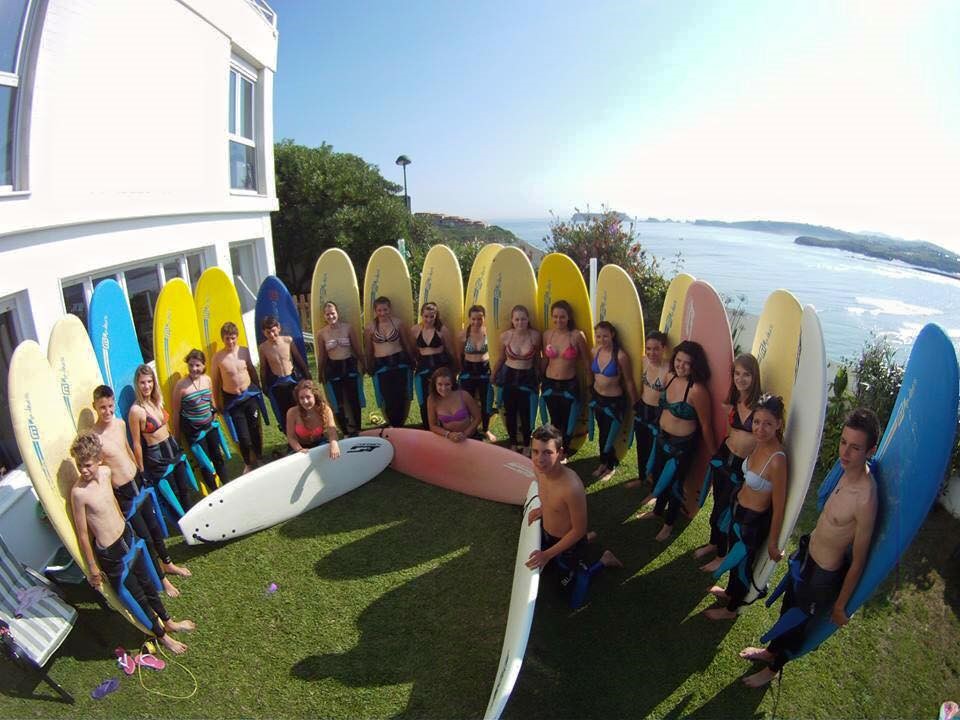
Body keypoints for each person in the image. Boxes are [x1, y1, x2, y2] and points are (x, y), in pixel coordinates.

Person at [737, 408, 879, 687]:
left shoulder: (866, 499)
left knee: (797, 623)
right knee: (788, 608)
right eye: (843, 442)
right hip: (806, 558)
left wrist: (840, 606)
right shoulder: (843, 470)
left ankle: (773, 670)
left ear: (870, 451)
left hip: (824, 575)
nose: (845, 453)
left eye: (855, 448)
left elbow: (859, 561)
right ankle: (770, 652)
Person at [69, 432, 195, 654]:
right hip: (111, 552)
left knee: (148, 584)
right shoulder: (79, 493)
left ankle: (169, 621)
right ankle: (163, 636)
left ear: (99, 460)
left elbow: (115, 504)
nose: (83, 470)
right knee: (138, 595)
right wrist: (92, 568)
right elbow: (82, 534)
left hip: (127, 536)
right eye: (80, 465)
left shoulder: (107, 473)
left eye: (87, 464)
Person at [92, 386, 189, 597]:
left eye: (110, 406)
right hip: (125, 494)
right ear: (95, 407)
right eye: (102, 408)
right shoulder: (95, 438)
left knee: (155, 528)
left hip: (138, 481)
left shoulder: (119, 424)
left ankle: (167, 563)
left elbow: (127, 449)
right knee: (144, 536)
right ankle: (162, 581)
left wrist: (140, 469)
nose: (108, 411)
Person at [704, 394, 788, 620]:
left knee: (742, 567)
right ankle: (730, 592)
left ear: (779, 424)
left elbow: (779, 506)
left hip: (752, 523)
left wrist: (773, 542)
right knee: (733, 557)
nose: (760, 428)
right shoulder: (758, 444)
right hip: (737, 510)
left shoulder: (778, 460)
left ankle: (731, 611)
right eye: (757, 422)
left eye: (768, 423)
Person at [524, 424, 622, 609]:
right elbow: (546, 492)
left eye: (547, 453)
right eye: (535, 452)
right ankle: (586, 543)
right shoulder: (539, 469)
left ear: (560, 453)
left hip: (570, 543)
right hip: (549, 534)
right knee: (550, 571)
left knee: (571, 597)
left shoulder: (572, 488)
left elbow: (578, 531)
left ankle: (604, 560)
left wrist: (547, 554)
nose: (539, 459)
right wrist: (543, 509)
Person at [637, 340, 715, 541]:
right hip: (662, 438)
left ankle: (669, 524)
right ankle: (656, 512)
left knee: (674, 485)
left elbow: (705, 425)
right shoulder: (670, 377)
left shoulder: (698, 390)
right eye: (678, 360)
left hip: (682, 447)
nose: (681, 365)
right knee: (658, 475)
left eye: (687, 363)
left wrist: (714, 454)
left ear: (695, 365)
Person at [696, 353, 762, 572]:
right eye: (737, 373)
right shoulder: (734, 399)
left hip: (743, 466)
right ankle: (714, 543)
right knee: (717, 502)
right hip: (725, 456)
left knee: (728, 511)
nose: (741, 379)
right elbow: (730, 429)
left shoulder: (762, 406)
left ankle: (722, 555)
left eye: (747, 375)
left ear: (755, 377)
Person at [129, 364, 196, 513]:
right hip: (157, 456)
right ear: (137, 384)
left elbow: (167, 427)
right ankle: (181, 524)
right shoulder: (136, 411)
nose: (147, 386)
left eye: (149, 381)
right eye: (142, 382)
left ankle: (192, 519)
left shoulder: (157, 400)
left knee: (184, 488)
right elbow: (137, 444)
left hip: (172, 447)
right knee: (171, 494)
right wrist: (141, 470)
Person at [172, 349, 231, 493]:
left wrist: (215, 416)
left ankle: (228, 487)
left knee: (217, 457)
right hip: (194, 433)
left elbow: (211, 402)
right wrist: (177, 438)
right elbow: (176, 412)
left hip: (210, 427)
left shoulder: (207, 380)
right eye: (191, 365)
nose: (194, 369)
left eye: (197, 365)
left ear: (203, 365)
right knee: (205, 463)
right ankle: (215, 492)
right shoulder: (181, 386)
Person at [588, 321, 639, 481]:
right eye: (598, 336)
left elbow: (629, 381)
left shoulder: (621, 356)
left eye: (605, 336)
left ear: (612, 335)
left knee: (610, 437)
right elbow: (592, 374)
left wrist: (636, 404)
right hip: (597, 398)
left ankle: (611, 466)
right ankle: (604, 462)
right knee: (602, 433)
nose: (601, 339)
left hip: (614, 402)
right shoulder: (594, 351)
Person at [212, 321, 265, 473]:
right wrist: (217, 403)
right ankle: (248, 463)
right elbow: (215, 382)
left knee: (255, 429)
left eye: (233, 338)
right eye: (227, 338)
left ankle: (259, 458)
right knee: (243, 436)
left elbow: (252, 370)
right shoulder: (218, 358)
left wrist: (258, 388)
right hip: (233, 400)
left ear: (237, 337)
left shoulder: (244, 351)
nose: (230, 341)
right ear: (223, 338)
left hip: (249, 395)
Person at [540, 300, 589, 453]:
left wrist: (591, 384)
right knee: (554, 420)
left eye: (562, 317)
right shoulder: (548, 334)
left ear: (569, 317)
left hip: (569, 384)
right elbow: (545, 359)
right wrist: (539, 379)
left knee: (569, 422)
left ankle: (565, 450)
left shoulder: (577, 335)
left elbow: (587, 362)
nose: (558, 320)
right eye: (555, 317)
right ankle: (553, 449)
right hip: (550, 383)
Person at [492, 305, 541, 454]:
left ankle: (527, 443)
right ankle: (513, 442)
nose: (520, 322)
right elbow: (501, 358)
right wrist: (493, 374)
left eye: (523, 319)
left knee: (526, 413)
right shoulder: (506, 336)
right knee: (510, 412)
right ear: (512, 320)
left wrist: (540, 376)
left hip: (527, 376)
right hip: (508, 376)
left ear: (528, 319)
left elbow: (538, 358)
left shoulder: (535, 336)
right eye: (517, 319)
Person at [626, 331, 670, 490]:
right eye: (649, 349)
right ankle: (642, 477)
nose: (651, 353)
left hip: (658, 414)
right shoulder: (643, 361)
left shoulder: (669, 369)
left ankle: (655, 482)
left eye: (656, 349)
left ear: (664, 348)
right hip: (643, 408)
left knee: (656, 450)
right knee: (641, 446)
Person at [364, 296, 415, 428]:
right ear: (375, 311)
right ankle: (392, 423)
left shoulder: (398, 323)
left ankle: (401, 424)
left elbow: (406, 344)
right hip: (381, 365)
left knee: (402, 395)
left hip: (399, 363)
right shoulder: (370, 328)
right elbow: (369, 349)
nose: (383, 313)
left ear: (390, 309)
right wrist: (369, 365)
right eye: (379, 310)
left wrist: (412, 360)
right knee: (386, 397)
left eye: (385, 310)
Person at [317, 301, 365, 437]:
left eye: (332, 313)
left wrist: (364, 364)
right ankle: (345, 431)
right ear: (324, 316)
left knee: (354, 399)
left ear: (337, 313)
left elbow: (357, 348)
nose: (330, 316)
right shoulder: (322, 334)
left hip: (349, 365)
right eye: (327, 314)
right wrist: (320, 373)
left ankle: (358, 428)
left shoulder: (348, 328)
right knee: (338, 402)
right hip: (333, 369)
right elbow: (322, 355)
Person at [258, 315, 311, 433]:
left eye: (273, 331)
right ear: (264, 333)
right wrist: (264, 385)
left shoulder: (288, 340)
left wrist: (307, 374)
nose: (271, 335)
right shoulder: (263, 348)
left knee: (299, 408)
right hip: (278, 384)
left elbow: (298, 358)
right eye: (268, 332)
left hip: (292, 381)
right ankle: (291, 438)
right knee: (284, 413)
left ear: (278, 328)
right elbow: (263, 368)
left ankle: (307, 434)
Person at [410, 302, 457, 430]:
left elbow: (451, 351)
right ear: (421, 315)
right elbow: (413, 350)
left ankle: (445, 426)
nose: (429, 319)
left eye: (432, 316)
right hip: (422, 368)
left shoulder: (442, 330)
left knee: (442, 397)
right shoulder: (415, 330)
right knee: (423, 399)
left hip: (439, 367)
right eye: (426, 316)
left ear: (436, 316)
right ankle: (427, 427)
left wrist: (455, 369)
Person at [457, 304, 497, 441]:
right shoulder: (463, 334)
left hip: (484, 371)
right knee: (467, 402)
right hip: (468, 372)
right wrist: (461, 371)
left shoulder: (489, 333)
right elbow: (459, 354)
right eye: (473, 319)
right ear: (469, 319)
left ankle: (486, 429)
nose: (476, 322)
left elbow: (494, 353)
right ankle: (468, 428)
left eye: (479, 319)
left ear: (484, 318)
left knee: (486, 403)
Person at [285, 379, 341, 457]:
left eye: (308, 397)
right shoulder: (292, 413)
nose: (305, 401)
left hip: (319, 443)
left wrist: (334, 444)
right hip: (299, 446)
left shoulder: (325, 410)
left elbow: (332, 432)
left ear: (315, 396)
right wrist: (299, 450)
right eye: (301, 398)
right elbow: (291, 437)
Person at [427, 367, 482, 442]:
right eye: (440, 384)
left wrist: (465, 434)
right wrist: (449, 435)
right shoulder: (432, 400)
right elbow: (432, 425)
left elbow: (477, 417)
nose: (443, 388)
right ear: (435, 384)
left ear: (452, 384)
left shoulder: (464, 395)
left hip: (470, 438)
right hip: (449, 439)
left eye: (447, 384)